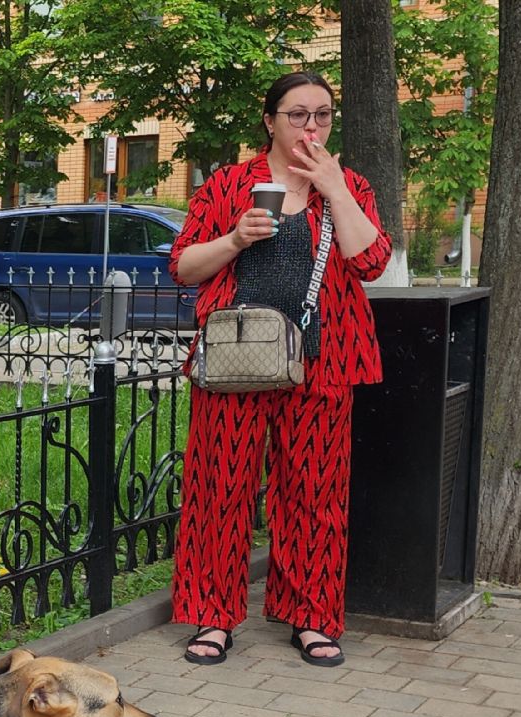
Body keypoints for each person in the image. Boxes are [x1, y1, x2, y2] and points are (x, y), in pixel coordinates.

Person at [167, 72, 391, 669]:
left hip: (322, 364)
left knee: (315, 495)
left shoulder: (348, 186)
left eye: (321, 115)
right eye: (297, 114)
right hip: (236, 363)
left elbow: (370, 260)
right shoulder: (229, 185)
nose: (310, 127)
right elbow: (184, 267)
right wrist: (236, 237)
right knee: (220, 492)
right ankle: (213, 618)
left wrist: (335, 189)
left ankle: (313, 619)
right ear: (270, 121)